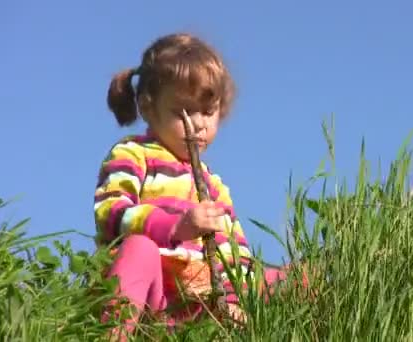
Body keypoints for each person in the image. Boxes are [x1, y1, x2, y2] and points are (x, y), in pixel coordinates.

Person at [93, 33, 297, 337]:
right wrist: (174, 227)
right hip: (153, 295)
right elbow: (111, 213)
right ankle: (115, 333)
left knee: (294, 279)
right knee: (140, 249)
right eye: (183, 112)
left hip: (200, 301)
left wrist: (232, 298)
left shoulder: (213, 184)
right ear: (149, 107)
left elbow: (233, 252)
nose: (199, 124)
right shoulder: (133, 154)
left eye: (208, 111)